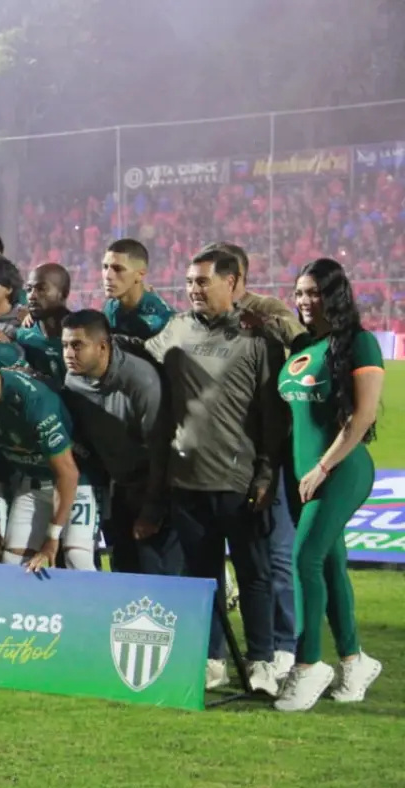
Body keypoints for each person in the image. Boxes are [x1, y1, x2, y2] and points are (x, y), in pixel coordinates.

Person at [137, 249, 285, 695]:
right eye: (189, 282)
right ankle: (211, 658)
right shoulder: (176, 329)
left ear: (233, 282)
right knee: (203, 580)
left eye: (203, 282)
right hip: (186, 480)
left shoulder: (257, 339)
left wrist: (264, 475)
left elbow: (272, 418)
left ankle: (262, 661)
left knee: (254, 574)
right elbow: (137, 355)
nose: (194, 289)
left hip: (238, 481)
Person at [274, 259, 383, 712]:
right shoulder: (305, 344)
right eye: (300, 292)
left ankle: (308, 665)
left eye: (314, 292)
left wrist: (321, 467)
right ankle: (355, 662)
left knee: (305, 558)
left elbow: (363, 417)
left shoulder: (360, 342)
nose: (304, 301)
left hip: (340, 470)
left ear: (335, 295)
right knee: (330, 564)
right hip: (303, 473)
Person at [207, 240, 305, 674]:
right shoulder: (205, 316)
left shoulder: (266, 308)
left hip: (272, 450)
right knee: (238, 558)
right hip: (223, 458)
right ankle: (225, 650)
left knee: (277, 553)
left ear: (237, 277)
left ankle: (283, 645)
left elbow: (302, 342)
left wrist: (266, 324)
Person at [0, 345, 94, 571]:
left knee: (78, 559)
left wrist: (52, 537)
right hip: (32, 485)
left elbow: (68, 473)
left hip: (74, 484)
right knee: (13, 564)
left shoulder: (33, 399)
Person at [60, 310, 178, 576]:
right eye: (65, 345)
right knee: (124, 569)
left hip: (156, 487)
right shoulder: (73, 380)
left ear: (102, 346)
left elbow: (161, 449)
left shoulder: (140, 380)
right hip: (119, 489)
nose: (69, 353)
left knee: (158, 574)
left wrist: (152, 509)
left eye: (77, 345)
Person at [101, 239, 174, 339]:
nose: (108, 276)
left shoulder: (162, 321)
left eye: (118, 269)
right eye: (105, 267)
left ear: (140, 274)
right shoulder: (110, 307)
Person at [16, 263, 71, 383]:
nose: (32, 296)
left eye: (41, 289)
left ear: (64, 293)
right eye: (29, 289)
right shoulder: (24, 336)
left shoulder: (81, 333)